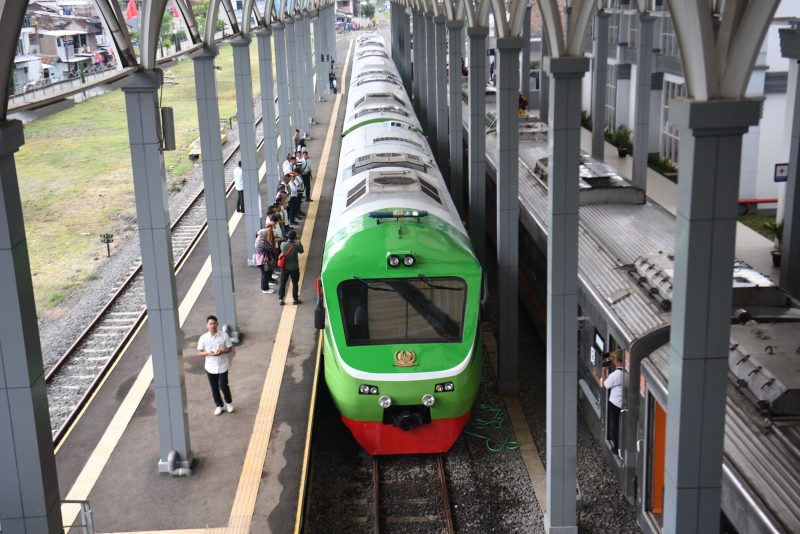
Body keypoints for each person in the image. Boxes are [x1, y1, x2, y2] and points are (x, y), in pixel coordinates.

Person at [197, 315, 235, 415]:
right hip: (210, 367)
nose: (213, 325)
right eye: (211, 324)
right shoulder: (203, 338)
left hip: (222, 366)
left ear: (217, 324)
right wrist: (209, 353)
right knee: (214, 388)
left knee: (223, 385)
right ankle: (219, 405)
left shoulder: (224, 335)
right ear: (207, 325)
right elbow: (200, 353)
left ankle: (229, 403)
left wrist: (222, 351)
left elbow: (230, 349)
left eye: (214, 323)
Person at [602, 350, 625, 457]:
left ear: (617, 360)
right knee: (621, 425)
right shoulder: (627, 372)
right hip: (623, 403)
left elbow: (605, 385)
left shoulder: (615, 375)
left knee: (615, 426)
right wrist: (610, 355)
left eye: (614, 358)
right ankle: (620, 446)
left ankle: (616, 448)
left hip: (614, 403)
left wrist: (603, 370)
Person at [278, 230, 304, 306]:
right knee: (295, 283)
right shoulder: (296, 246)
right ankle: (295, 299)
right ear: (295, 237)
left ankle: (281, 298)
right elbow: (301, 251)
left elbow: (282, 248)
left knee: (283, 283)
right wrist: (299, 241)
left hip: (285, 267)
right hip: (294, 268)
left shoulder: (283, 244)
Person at [255, 228, 275, 293]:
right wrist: (270, 244)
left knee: (265, 274)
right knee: (265, 274)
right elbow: (270, 248)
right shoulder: (262, 241)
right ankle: (265, 289)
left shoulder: (260, 240)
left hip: (261, 260)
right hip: (263, 261)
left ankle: (266, 287)